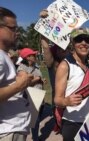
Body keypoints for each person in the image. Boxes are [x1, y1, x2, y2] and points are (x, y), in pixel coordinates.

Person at [54, 28, 89, 141]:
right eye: (79, 39)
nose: (84, 43)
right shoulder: (65, 66)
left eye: (87, 40)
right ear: (73, 43)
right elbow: (57, 99)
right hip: (72, 123)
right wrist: (66, 101)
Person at [0, 7, 33, 141]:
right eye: (13, 28)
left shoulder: (3, 55)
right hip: (8, 132)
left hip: (13, 130)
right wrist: (19, 85)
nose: (17, 33)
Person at [17, 47, 46, 141]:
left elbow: (38, 78)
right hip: (30, 96)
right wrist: (37, 79)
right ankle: (35, 138)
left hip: (39, 96)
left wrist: (42, 80)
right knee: (35, 120)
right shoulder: (22, 68)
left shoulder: (36, 66)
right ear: (27, 57)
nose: (35, 56)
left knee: (37, 118)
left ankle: (35, 136)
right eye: (33, 55)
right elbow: (24, 83)